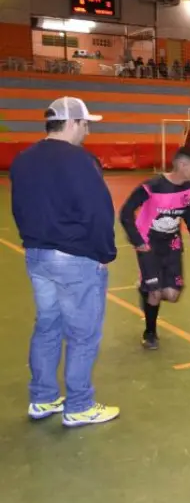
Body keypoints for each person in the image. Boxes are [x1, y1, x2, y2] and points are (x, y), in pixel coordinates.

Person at [9, 97, 119, 427]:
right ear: (72, 123)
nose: (86, 131)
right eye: (85, 124)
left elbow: (19, 208)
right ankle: (79, 404)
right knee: (83, 334)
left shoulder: (23, 160)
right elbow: (99, 212)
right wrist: (104, 254)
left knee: (48, 326)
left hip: (37, 255)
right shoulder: (80, 161)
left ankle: (42, 398)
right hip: (75, 259)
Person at [119, 147, 190, 350]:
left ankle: (145, 289)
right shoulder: (152, 186)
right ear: (182, 165)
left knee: (172, 295)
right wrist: (137, 240)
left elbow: (188, 207)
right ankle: (150, 333)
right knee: (155, 293)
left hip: (172, 243)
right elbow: (125, 212)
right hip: (148, 243)